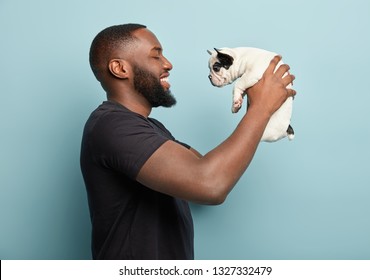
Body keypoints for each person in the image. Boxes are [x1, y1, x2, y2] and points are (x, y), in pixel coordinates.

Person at [80, 23, 296, 260]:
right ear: (120, 68)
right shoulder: (112, 126)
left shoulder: (149, 128)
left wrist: (256, 100)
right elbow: (210, 184)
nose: (168, 64)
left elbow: (207, 167)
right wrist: (262, 108)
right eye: (156, 55)